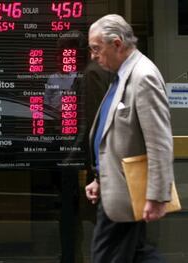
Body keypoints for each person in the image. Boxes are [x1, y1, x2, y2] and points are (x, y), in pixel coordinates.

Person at [84, 14, 174, 262]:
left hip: (127, 195)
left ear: (117, 44)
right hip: (118, 190)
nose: (93, 55)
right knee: (137, 254)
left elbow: (159, 141)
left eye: (96, 48)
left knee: (106, 255)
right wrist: (100, 178)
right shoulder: (122, 75)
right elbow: (118, 139)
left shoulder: (142, 77)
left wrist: (157, 195)